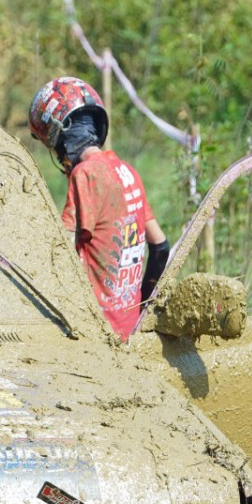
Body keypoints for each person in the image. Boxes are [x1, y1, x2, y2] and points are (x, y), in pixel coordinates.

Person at [28, 76, 170, 340]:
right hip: (130, 329)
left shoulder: (85, 175)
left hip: (97, 333)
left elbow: (60, 254)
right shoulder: (128, 172)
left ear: (61, 139)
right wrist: (142, 308)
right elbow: (160, 247)